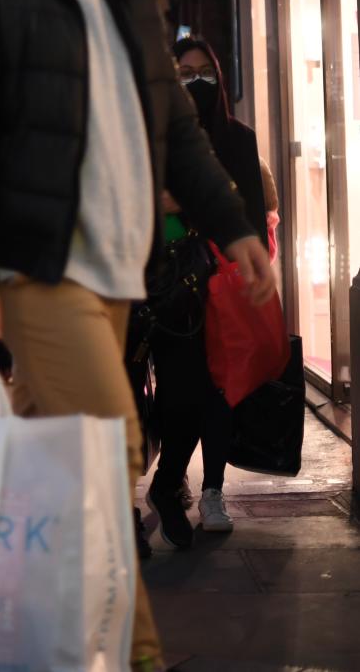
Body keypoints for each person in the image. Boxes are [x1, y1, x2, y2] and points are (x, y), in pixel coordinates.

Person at [0, 0, 276, 670]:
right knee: (111, 449)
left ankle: (40, 632)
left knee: (57, 469)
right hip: (39, 268)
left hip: (123, 270)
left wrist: (235, 227)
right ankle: (132, 654)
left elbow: (180, 137)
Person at [136, 36, 273, 548]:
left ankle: (192, 485)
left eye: (203, 72)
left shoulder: (237, 139)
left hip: (216, 288)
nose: (194, 81)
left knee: (208, 394)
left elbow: (250, 216)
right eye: (183, 72)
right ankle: (159, 487)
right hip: (159, 287)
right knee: (164, 399)